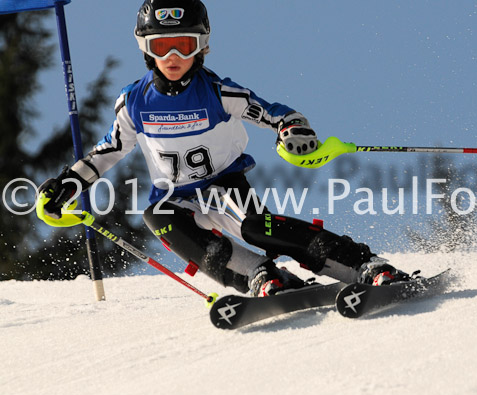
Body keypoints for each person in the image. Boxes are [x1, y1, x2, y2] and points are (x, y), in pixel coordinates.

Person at [38, 0, 414, 297]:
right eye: (161, 46)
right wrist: (67, 185)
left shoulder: (218, 93)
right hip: (175, 196)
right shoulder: (134, 102)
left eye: (183, 46)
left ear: (201, 47)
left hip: (224, 184)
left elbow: (272, 112)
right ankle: (260, 277)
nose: (173, 57)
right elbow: (109, 150)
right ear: (145, 49)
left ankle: (363, 265)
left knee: (256, 228)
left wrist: (292, 128)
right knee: (157, 214)